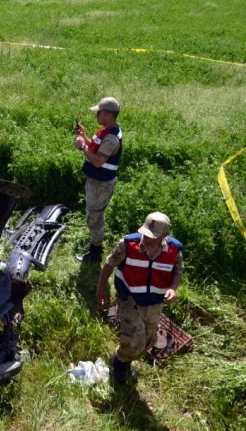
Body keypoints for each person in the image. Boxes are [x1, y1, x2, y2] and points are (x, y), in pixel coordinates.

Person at [95, 212, 184, 384]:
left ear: (165, 235)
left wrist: (173, 289)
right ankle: (119, 361)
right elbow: (109, 264)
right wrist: (100, 289)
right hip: (129, 299)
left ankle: (127, 360)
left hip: (155, 302)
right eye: (146, 233)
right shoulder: (128, 243)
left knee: (149, 341)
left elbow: (178, 271)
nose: (147, 238)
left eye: (153, 236)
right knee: (135, 340)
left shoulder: (174, 249)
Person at [73, 97, 123, 263]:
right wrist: (85, 137)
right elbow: (95, 149)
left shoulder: (111, 138)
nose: (96, 116)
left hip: (101, 185)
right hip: (95, 183)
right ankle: (95, 246)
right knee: (94, 215)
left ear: (109, 115)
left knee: (94, 217)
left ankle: (95, 252)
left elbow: (97, 161)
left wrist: (82, 147)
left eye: (99, 113)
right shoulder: (105, 130)